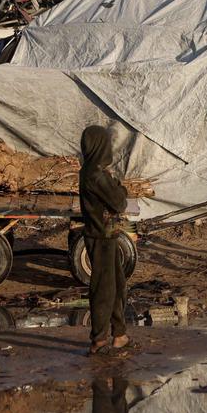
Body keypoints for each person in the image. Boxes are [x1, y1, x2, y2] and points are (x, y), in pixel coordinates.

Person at [79, 125, 130, 356]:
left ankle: (119, 334)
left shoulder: (90, 170)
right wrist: (120, 188)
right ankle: (99, 339)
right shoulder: (97, 175)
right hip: (101, 237)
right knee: (104, 289)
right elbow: (119, 203)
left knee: (117, 284)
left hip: (106, 235)